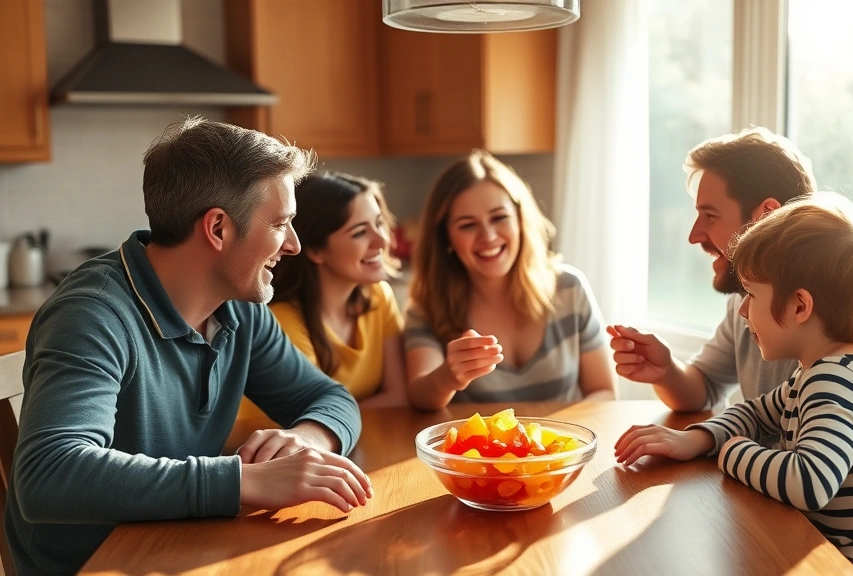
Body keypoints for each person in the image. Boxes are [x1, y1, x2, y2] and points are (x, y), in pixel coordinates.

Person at [5, 118, 373, 575]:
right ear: (217, 228)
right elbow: (50, 475)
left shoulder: (239, 308)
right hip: (98, 566)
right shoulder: (92, 315)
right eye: (280, 223)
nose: (294, 245)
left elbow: (330, 397)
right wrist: (241, 482)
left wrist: (305, 441)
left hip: (184, 545)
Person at [615, 194, 853, 575]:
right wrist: (696, 439)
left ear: (799, 306)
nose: (741, 309)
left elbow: (810, 481)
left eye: (751, 294)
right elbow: (756, 413)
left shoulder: (839, 381)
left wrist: (731, 451)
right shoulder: (826, 370)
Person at [608, 127, 816, 411]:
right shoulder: (743, 301)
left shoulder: (828, 316)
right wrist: (666, 371)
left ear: (766, 216)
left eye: (711, 216)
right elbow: (704, 386)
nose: (694, 236)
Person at [404, 149, 616, 409]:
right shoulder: (427, 307)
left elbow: (604, 392)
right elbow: (420, 397)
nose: (489, 236)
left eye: (499, 218)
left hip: (561, 446)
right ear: (445, 238)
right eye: (467, 225)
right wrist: (448, 376)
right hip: (478, 451)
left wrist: (552, 439)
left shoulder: (570, 288)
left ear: (520, 221)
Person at [267, 172, 408, 407]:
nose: (382, 241)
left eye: (379, 224)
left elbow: (399, 397)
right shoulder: (284, 322)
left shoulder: (378, 296)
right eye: (360, 232)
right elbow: (311, 415)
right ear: (314, 250)